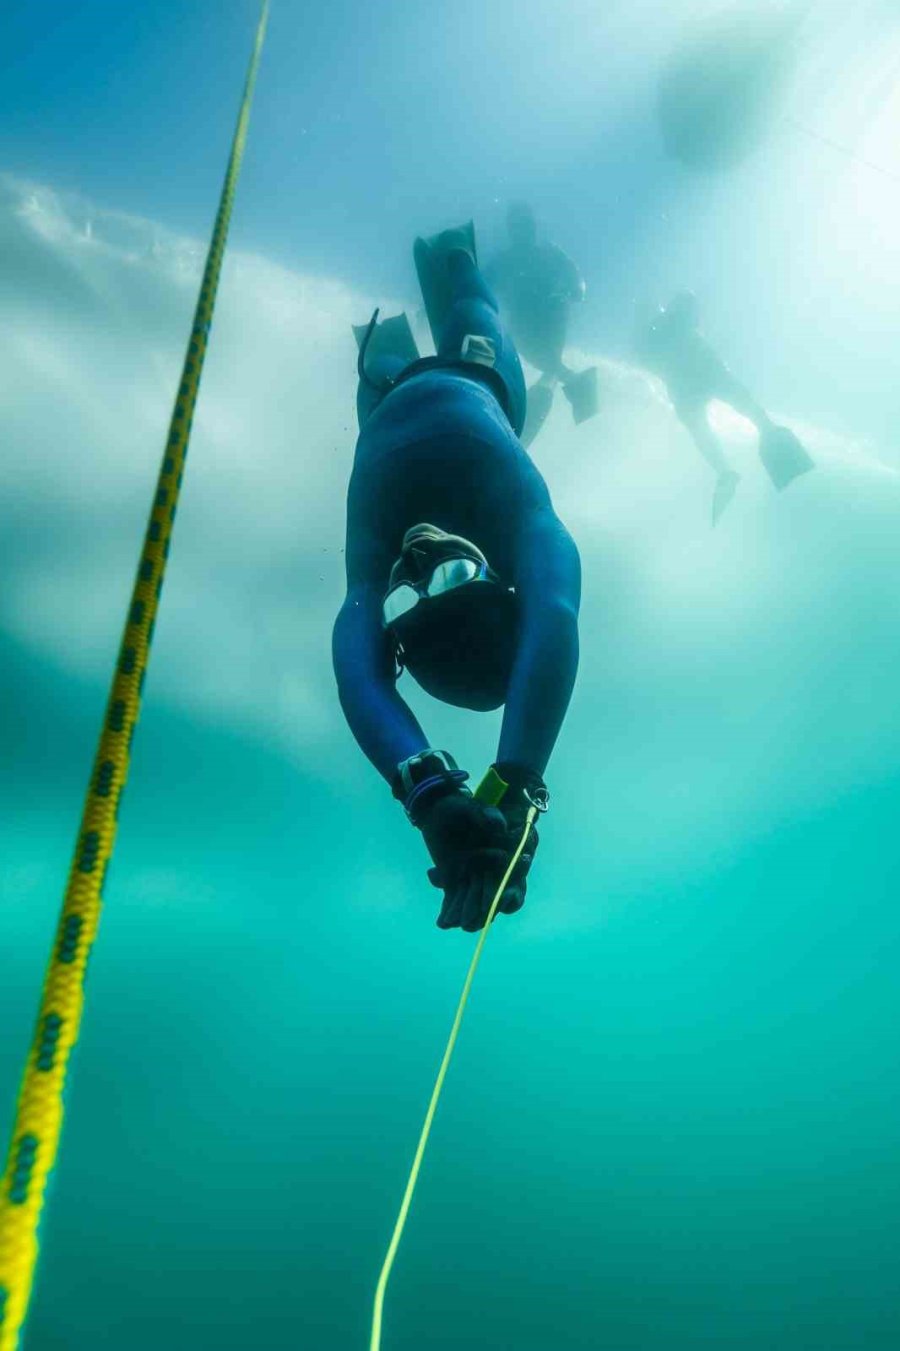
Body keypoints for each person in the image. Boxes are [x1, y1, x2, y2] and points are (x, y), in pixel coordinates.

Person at [333, 223, 581, 933]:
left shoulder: (377, 552)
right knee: (471, 306)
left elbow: (357, 669)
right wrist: (516, 783)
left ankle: (449, 270)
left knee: (386, 351)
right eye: (456, 577)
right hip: (484, 384)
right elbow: (554, 622)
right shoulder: (522, 526)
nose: (422, 561)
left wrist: (430, 790)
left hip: (382, 400)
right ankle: (456, 257)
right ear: (504, 583)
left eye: (413, 593)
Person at [635, 290, 813, 524]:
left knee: (700, 430)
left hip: (686, 385)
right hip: (706, 370)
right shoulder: (675, 318)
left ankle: (726, 472)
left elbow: (647, 359)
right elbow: (692, 332)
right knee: (747, 411)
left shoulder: (655, 328)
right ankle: (764, 434)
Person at [485, 202, 598, 446]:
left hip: (549, 324)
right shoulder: (505, 260)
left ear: (532, 227)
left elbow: (578, 284)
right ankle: (570, 383)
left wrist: (568, 293)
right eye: (518, 226)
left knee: (551, 370)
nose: (524, 231)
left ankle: (565, 386)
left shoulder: (549, 253)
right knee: (550, 370)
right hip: (525, 329)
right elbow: (481, 286)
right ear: (511, 230)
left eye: (526, 226)